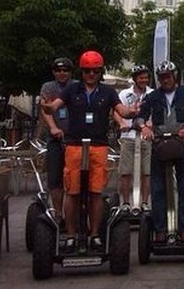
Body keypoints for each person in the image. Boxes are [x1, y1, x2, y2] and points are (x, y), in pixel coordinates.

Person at [41, 50, 125, 253]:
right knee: (73, 192)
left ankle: (94, 234)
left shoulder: (108, 91)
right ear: (82, 71)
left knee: (96, 193)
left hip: (98, 145)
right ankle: (71, 235)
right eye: (87, 71)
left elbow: (121, 111)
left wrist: (131, 114)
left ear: (100, 71)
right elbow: (54, 107)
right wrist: (49, 108)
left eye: (95, 71)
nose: (91, 74)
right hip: (75, 145)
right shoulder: (71, 90)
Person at [136, 60, 184, 243]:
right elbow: (139, 116)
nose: (165, 80)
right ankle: (160, 230)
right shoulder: (153, 96)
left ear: (174, 76)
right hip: (160, 146)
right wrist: (144, 127)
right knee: (158, 190)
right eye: (161, 77)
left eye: (168, 76)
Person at [38, 56, 76, 228]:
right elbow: (45, 109)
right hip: (55, 139)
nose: (62, 73)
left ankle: (74, 215)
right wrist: (53, 127)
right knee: (55, 178)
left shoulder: (76, 86)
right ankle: (58, 214)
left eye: (65, 70)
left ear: (70, 72)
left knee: (75, 179)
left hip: (74, 140)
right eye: (59, 70)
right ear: (54, 72)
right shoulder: (48, 87)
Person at [115, 64, 154, 211]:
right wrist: (122, 123)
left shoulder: (152, 94)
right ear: (135, 79)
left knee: (146, 171)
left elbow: (157, 113)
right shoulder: (125, 94)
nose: (144, 80)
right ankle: (126, 203)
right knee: (125, 171)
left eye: (146, 77)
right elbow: (117, 111)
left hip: (146, 137)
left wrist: (151, 124)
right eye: (141, 77)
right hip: (128, 136)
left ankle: (144, 203)